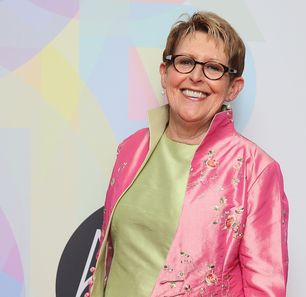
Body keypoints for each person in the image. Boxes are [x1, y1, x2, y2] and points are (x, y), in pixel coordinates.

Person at [88, 11, 288, 297]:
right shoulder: (131, 149)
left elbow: (266, 289)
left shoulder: (255, 170)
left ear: (233, 88)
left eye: (213, 68)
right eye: (185, 62)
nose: (195, 76)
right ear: (164, 73)